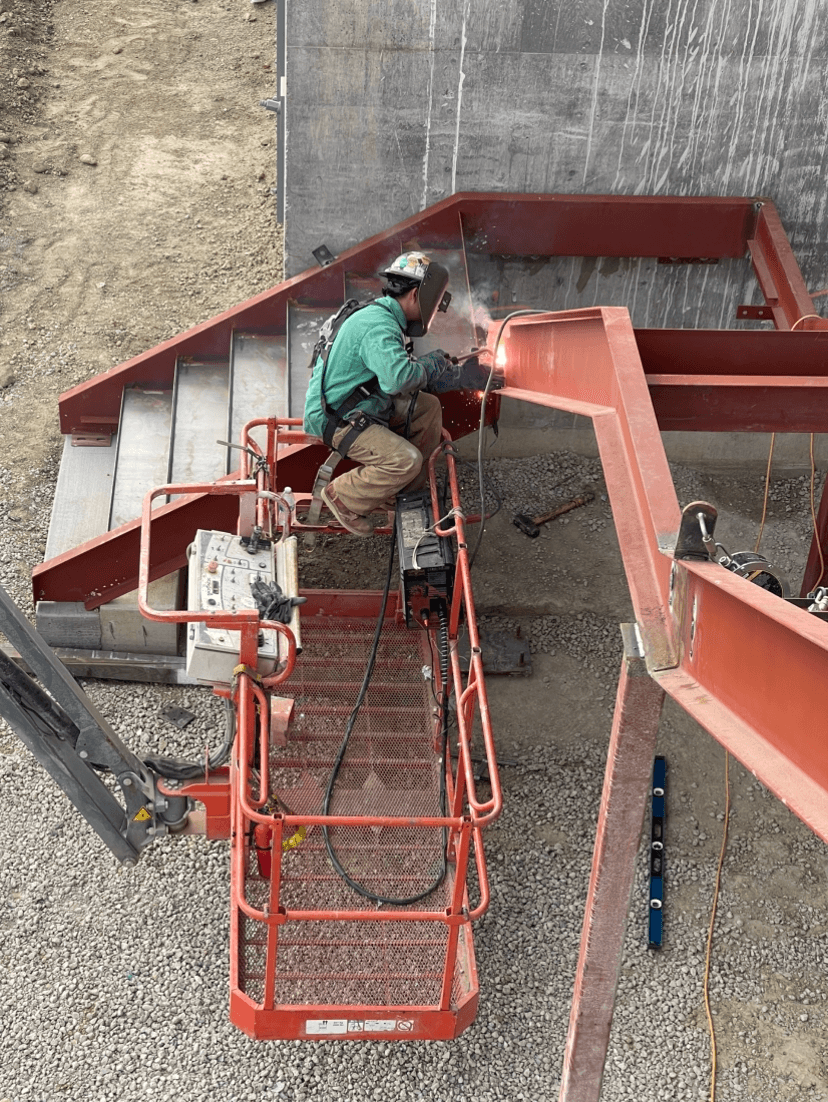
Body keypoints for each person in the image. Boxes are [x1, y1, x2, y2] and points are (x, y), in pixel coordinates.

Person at [303, 252, 493, 536]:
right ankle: (344, 496)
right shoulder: (379, 325)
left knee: (427, 407)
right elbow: (398, 379)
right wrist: (432, 364)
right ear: (416, 295)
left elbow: (399, 375)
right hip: (338, 418)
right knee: (406, 460)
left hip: (359, 405)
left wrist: (455, 374)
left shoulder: (380, 315)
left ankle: (400, 493)